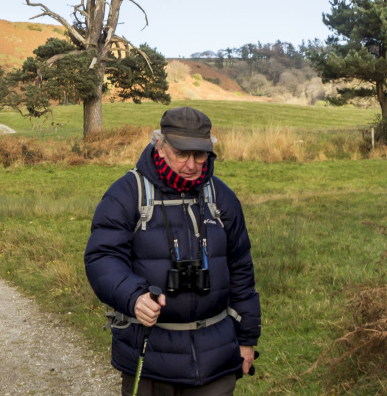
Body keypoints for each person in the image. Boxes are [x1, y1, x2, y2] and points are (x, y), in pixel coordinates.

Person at [84, 107, 261, 395]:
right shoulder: (127, 194)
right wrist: (134, 297)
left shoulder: (222, 198)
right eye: (182, 154)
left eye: (200, 155)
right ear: (160, 145)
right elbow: (102, 257)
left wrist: (247, 340)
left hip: (216, 360)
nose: (192, 165)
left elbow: (242, 271)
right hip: (151, 358)